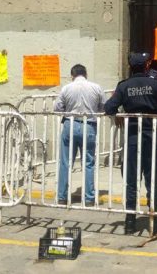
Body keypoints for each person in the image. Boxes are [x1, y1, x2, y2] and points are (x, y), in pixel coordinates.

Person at [104, 52, 157, 235]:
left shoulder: (124, 86)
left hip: (132, 139)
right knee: (153, 181)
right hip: (153, 138)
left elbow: (109, 108)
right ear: (146, 66)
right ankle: (155, 222)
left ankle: (129, 223)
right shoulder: (156, 85)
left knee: (131, 182)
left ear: (130, 67)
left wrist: (120, 114)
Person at [54, 64, 104, 207]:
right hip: (89, 125)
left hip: (70, 123)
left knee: (65, 162)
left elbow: (57, 108)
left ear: (72, 75)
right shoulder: (96, 87)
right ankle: (89, 198)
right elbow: (103, 107)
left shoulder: (66, 88)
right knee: (88, 163)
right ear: (85, 74)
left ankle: (62, 197)